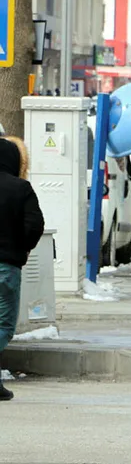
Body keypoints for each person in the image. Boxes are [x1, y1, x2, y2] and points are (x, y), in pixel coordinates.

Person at [0, 137, 44, 402]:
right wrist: (23, 249)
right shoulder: (20, 188)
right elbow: (34, 225)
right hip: (6, 266)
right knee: (3, 324)